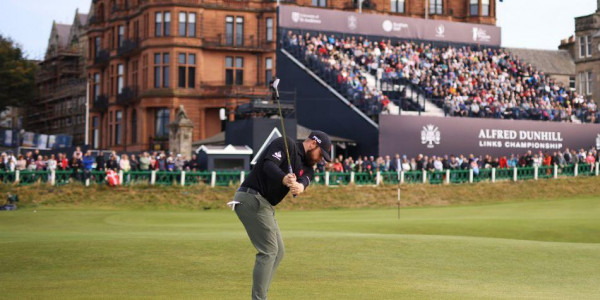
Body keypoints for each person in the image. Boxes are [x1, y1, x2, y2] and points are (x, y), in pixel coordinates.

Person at [233, 131, 331, 300]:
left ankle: (261, 294)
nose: (321, 159)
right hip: (251, 197)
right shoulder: (285, 144)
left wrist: (299, 187)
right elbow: (268, 165)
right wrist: (284, 178)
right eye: (321, 154)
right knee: (269, 251)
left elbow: (304, 181)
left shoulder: (308, 168)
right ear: (313, 144)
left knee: (279, 252)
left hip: (265, 205)